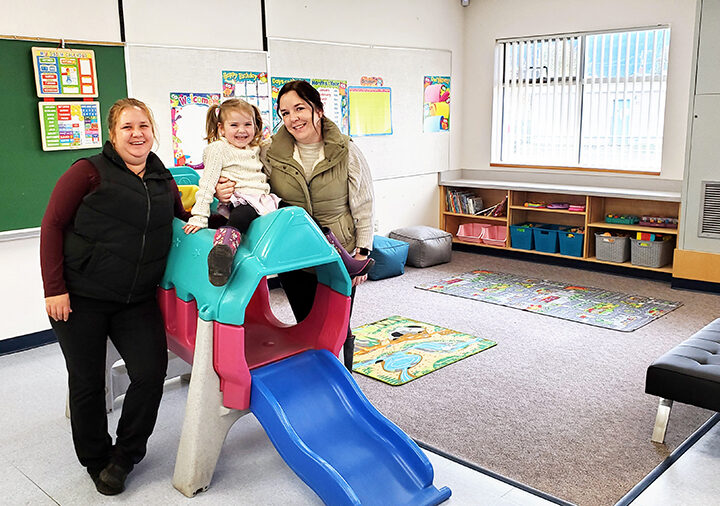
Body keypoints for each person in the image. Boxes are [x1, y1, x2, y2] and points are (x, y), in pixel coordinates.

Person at [40, 98, 200, 496]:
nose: (137, 134)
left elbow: (181, 222)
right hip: (80, 297)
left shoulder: (162, 178)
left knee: (149, 373)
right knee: (89, 381)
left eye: (144, 125)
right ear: (112, 134)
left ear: (153, 131)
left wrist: (222, 216)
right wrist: (54, 288)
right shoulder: (88, 172)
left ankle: (125, 456)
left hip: (136, 299)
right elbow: (52, 225)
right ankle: (96, 460)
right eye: (127, 127)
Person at [217, 80, 375, 371]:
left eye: (299, 108)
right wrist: (221, 190)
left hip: (338, 254)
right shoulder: (269, 152)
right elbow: (247, 183)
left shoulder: (346, 150)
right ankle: (317, 381)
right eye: (285, 112)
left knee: (339, 325)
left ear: (318, 109)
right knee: (306, 323)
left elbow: (364, 205)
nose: (293, 118)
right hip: (293, 254)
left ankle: (344, 381)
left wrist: (363, 251)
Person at [184, 98, 373, 287]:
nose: (242, 130)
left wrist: (363, 249)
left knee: (303, 217)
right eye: (234, 125)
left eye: (248, 124)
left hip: (265, 200)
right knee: (240, 218)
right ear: (221, 128)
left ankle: (344, 259)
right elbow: (207, 183)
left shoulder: (257, 148)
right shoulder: (217, 149)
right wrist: (199, 216)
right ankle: (221, 257)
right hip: (241, 199)